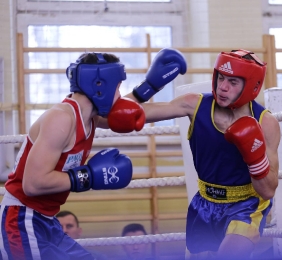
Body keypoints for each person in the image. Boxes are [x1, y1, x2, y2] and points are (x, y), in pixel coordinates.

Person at [0, 49, 186, 260]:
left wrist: (171, 99)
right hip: (22, 219)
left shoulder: (91, 117)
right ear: (100, 86)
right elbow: (32, 184)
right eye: (117, 87)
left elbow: (133, 111)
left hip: (46, 220)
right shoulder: (61, 119)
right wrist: (88, 176)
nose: (118, 94)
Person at [123, 49, 280, 259]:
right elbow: (123, 116)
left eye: (233, 82)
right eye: (221, 78)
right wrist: (147, 88)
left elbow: (268, 190)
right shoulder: (194, 105)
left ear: (252, 85)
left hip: (246, 204)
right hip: (205, 202)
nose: (223, 87)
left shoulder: (265, 123)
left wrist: (256, 157)